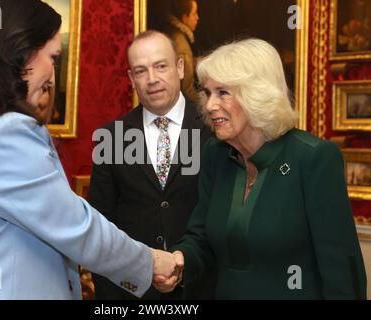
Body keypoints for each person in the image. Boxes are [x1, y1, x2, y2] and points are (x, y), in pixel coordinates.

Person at [0, 0, 180, 299]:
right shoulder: (5, 132)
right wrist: (149, 262)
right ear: (23, 54)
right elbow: (75, 226)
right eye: (54, 58)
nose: (52, 76)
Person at [155, 38, 368, 299]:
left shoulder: (313, 159)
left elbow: (342, 272)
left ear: (257, 94)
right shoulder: (215, 154)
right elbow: (201, 238)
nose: (210, 105)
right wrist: (179, 262)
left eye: (223, 92)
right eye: (207, 93)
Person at [88, 30, 215, 300]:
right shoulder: (111, 138)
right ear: (131, 79)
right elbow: (101, 228)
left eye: (161, 66)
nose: (152, 79)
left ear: (180, 67)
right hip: (131, 294)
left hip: (201, 289)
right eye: (141, 71)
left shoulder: (215, 129)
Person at [163, 0, 200, 104]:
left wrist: (194, 62)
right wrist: (207, 100)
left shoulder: (169, 32)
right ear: (184, 18)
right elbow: (187, 92)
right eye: (194, 14)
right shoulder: (181, 45)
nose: (197, 18)